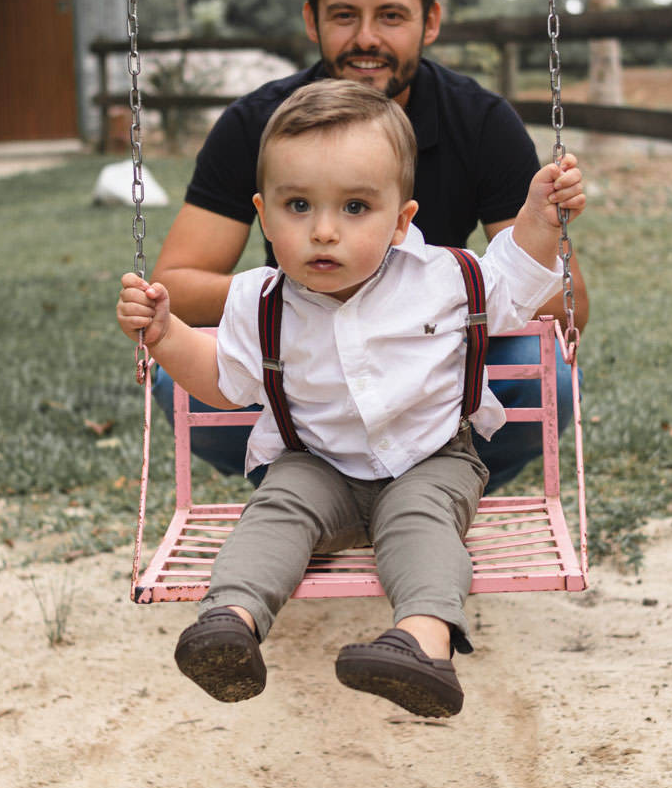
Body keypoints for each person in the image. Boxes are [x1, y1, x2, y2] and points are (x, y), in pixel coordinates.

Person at [118, 81, 586, 718]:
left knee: (422, 523)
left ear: (401, 220)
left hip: (432, 460)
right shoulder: (259, 301)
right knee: (276, 508)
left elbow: (519, 276)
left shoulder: (447, 279)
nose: (324, 232)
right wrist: (166, 334)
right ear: (264, 213)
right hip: (317, 464)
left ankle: (424, 648)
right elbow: (221, 382)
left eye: (356, 208)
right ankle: (231, 625)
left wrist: (539, 216)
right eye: (299, 205)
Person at [151, 0, 588, 489]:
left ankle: (445, 488)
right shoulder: (256, 123)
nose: (366, 39)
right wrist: (303, 299)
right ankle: (310, 490)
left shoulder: (478, 121)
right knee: (175, 378)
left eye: (390, 16)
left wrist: (417, 305)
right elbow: (175, 285)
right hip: (299, 370)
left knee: (548, 377)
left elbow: (567, 303)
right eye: (343, 15)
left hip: (437, 372)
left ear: (429, 21)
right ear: (312, 20)